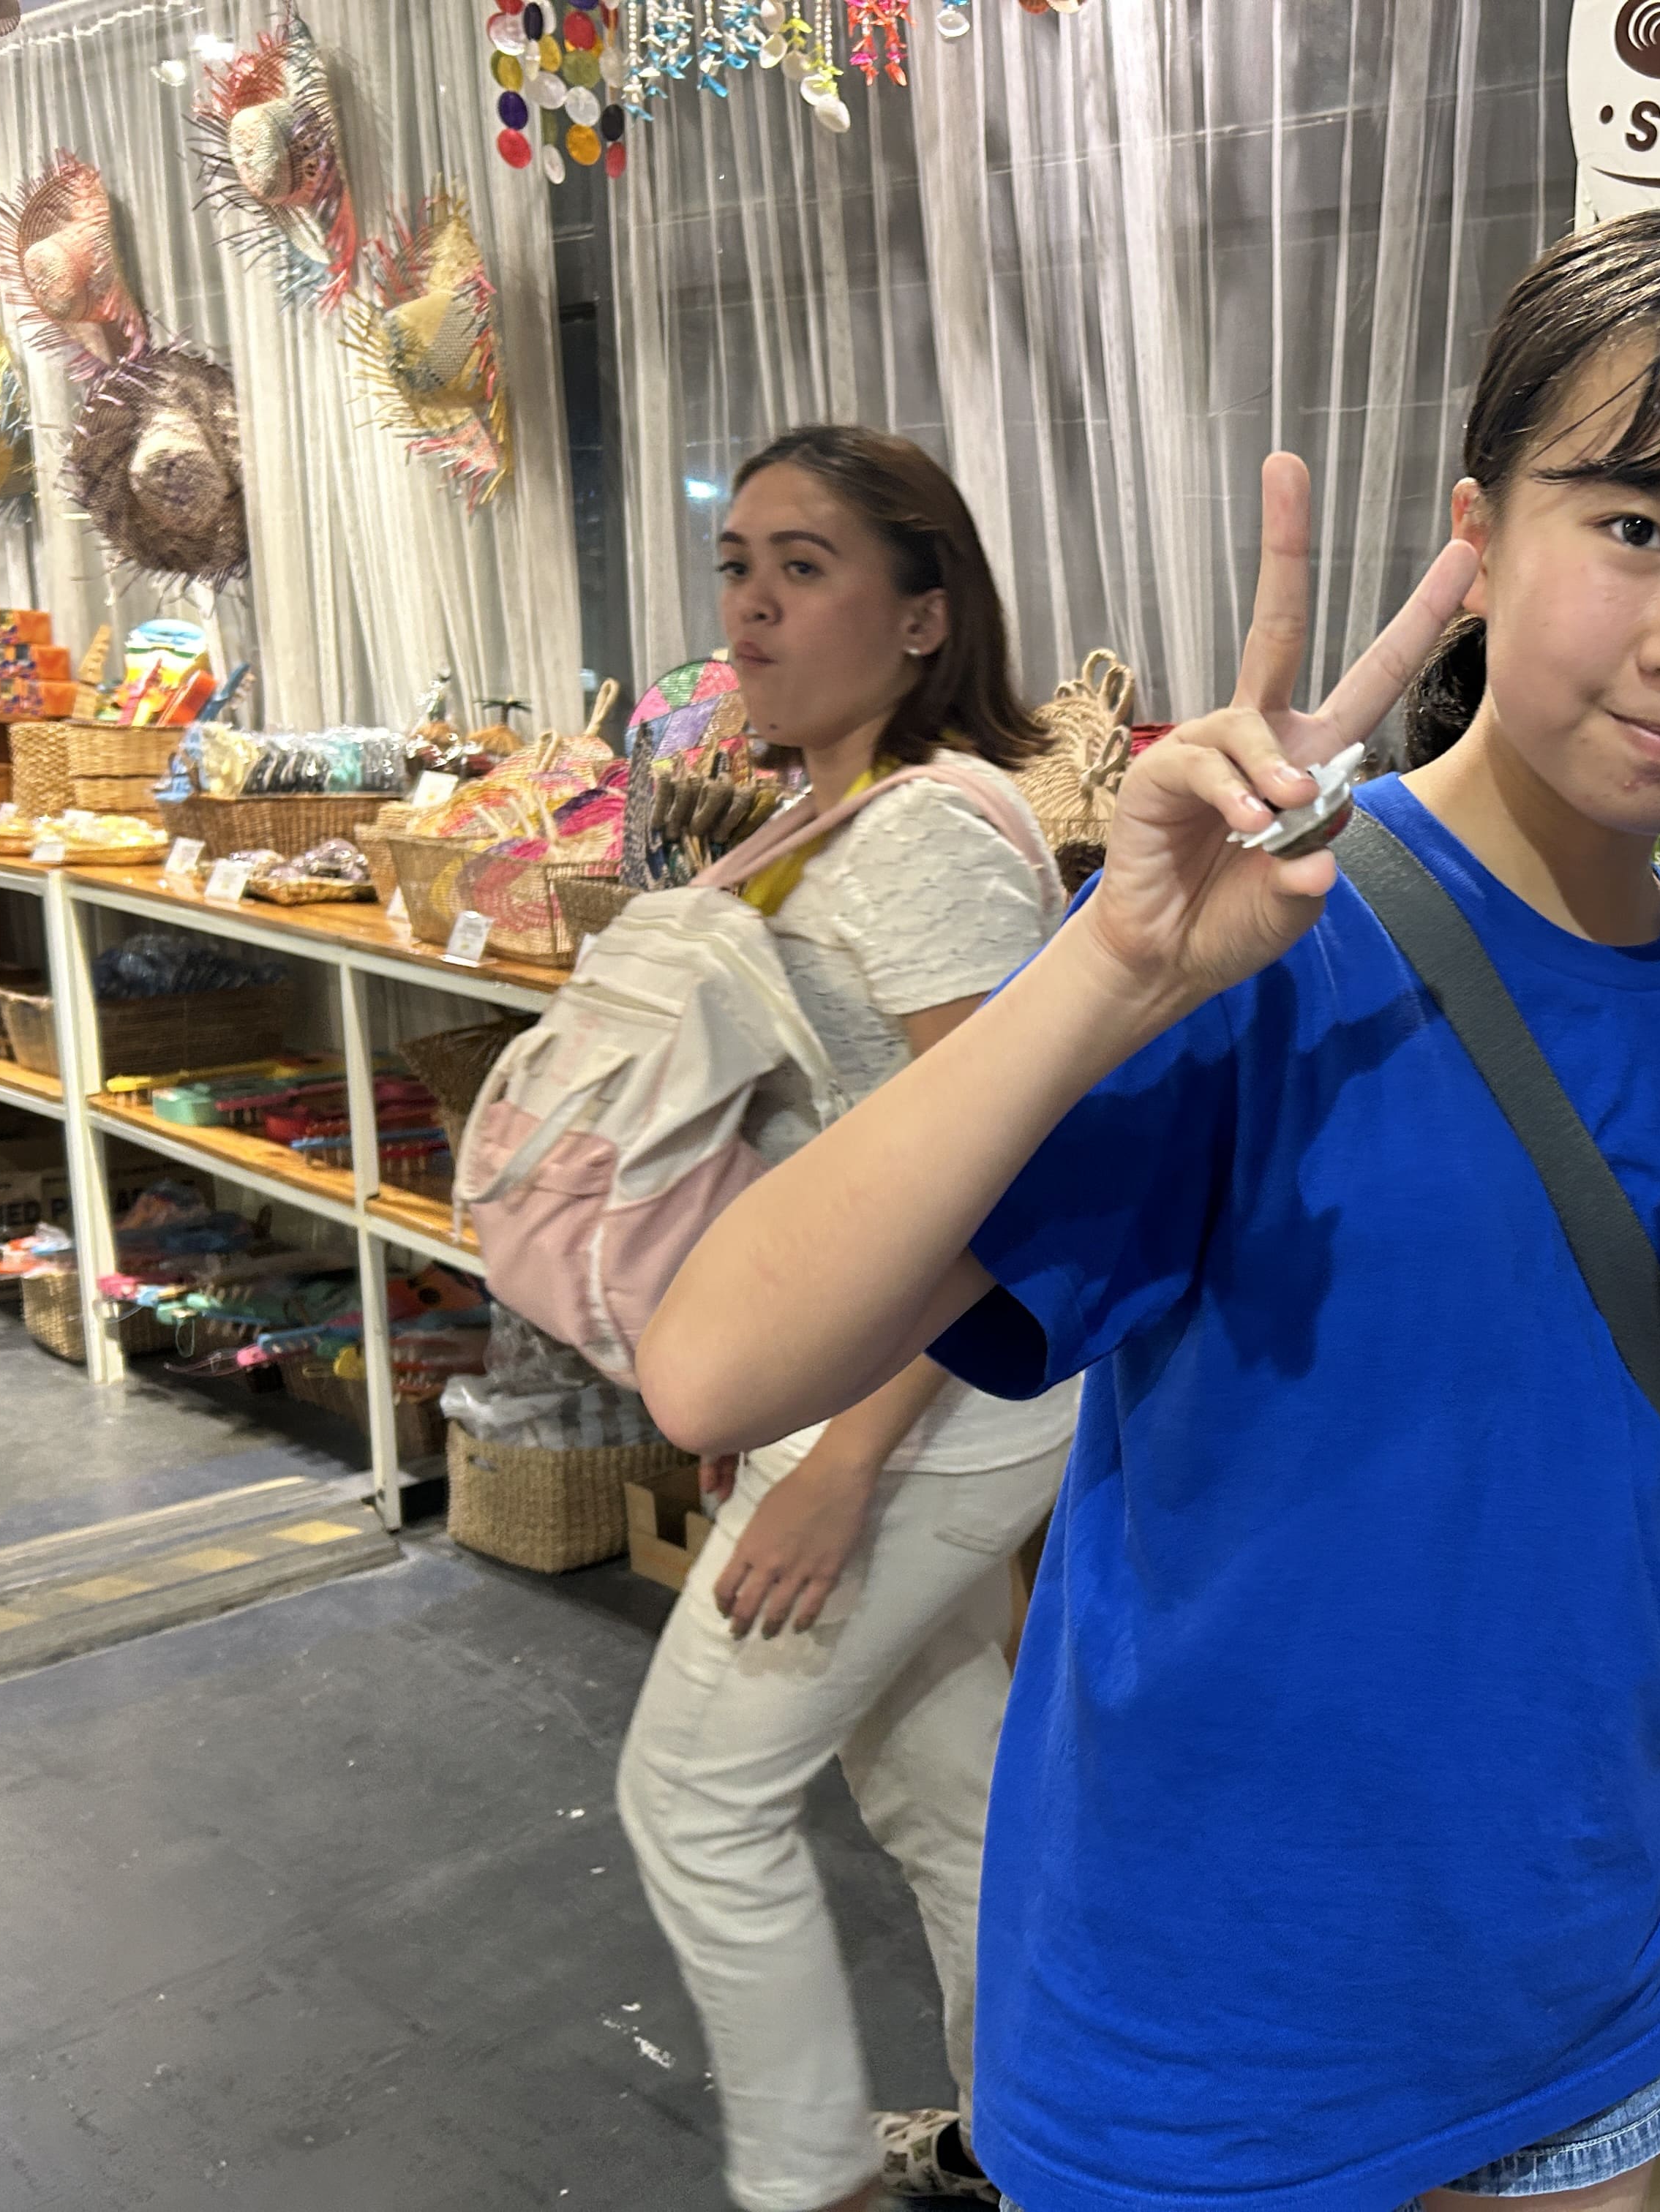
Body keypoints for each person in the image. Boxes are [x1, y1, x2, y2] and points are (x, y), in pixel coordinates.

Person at [641, 215, 1660, 2211]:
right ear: (1480, 537)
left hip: (1601, 2034)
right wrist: (1111, 970)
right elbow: (715, 1366)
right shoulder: (1266, 937)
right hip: (1202, 2074)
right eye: (1632, 524)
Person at [614, 426, 1075, 2212]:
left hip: (935, 1406)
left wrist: (841, 1463)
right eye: (737, 564)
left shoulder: (927, 837)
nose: (750, 608)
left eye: (804, 569)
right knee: (947, 1796)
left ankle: (811, 2183)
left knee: (694, 1799)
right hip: (871, 1390)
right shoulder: (835, 815)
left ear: (922, 616)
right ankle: (1033, 2150)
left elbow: (1009, 1192)